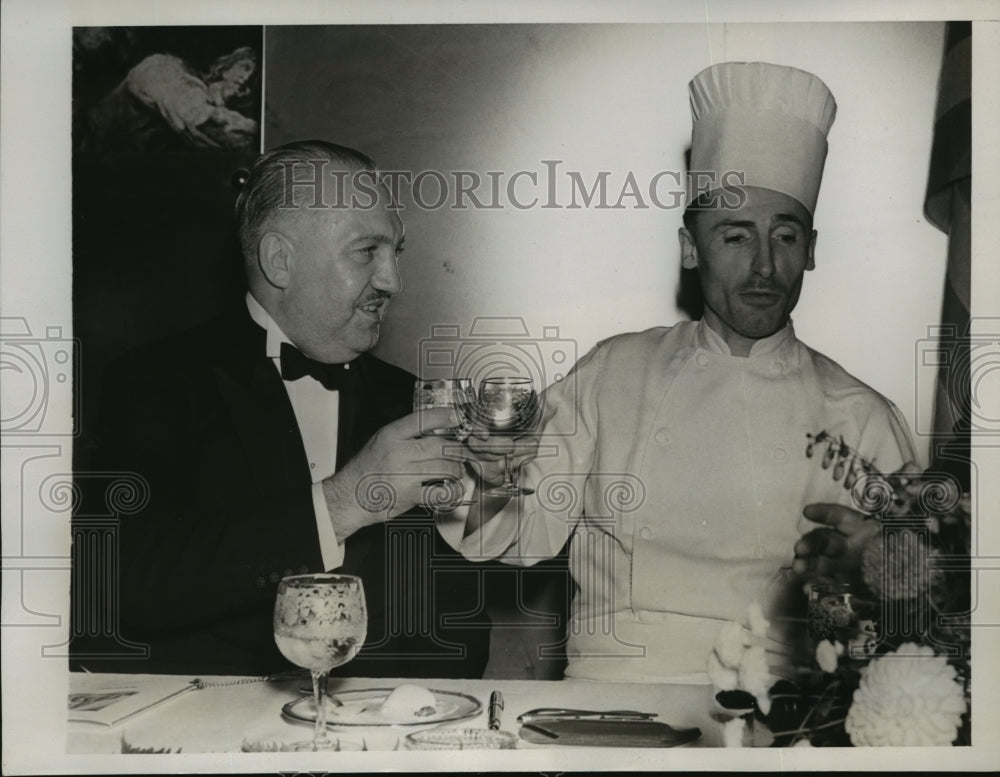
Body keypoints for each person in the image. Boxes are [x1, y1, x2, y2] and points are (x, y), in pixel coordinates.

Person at [446, 62, 919, 682]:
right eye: (735, 237)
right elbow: (506, 537)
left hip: (781, 712)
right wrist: (488, 467)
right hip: (609, 696)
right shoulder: (613, 373)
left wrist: (887, 572)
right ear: (690, 249)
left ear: (811, 249)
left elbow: (919, 620)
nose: (764, 268)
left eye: (785, 236)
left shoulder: (861, 414)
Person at [72, 140, 490, 677]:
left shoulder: (408, 400)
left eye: (396, 253)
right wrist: (344, 502)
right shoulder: (155, 381)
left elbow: (455, 617)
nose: (393, 281)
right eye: (367, 251)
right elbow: (123, 582)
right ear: (279, 260)